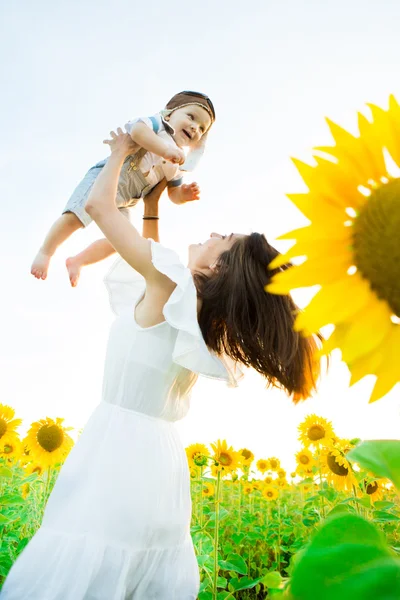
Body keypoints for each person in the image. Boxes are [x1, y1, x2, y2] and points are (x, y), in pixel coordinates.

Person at [2, 131, 321, 599]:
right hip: (156, 461)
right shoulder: (195, 311)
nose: (213, 233)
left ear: (218, 270)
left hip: (117, 448)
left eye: (224, 239)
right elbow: (153, 253)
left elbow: (99, 208)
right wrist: (152, 204)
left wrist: (118, 155)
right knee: (133, 570)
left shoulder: (169, 285)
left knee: (88, 564)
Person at [30, 90, 215, 287]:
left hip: (128, 199)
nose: (195, 127)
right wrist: (164, 149)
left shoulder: (178, 162)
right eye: (191, 117)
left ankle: (78, 260)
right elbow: (137, 131)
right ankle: (46, 251)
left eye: (202, 128)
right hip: (107, 179)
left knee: (120, 240)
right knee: (76, 216)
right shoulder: (158, 125)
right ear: (170, 113)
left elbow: (172, 193)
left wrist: (183, 195)